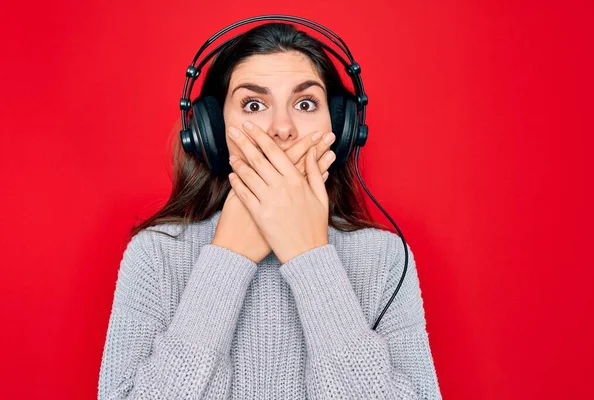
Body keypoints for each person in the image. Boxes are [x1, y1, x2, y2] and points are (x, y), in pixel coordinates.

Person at [98, 21, 442, 399]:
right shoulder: (156, 254)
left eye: (305, 103)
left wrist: (309, 256)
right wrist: (228, 255)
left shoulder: (385, 258)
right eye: (254, 104)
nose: (282, 128)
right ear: (210, 130)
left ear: (342, 129)